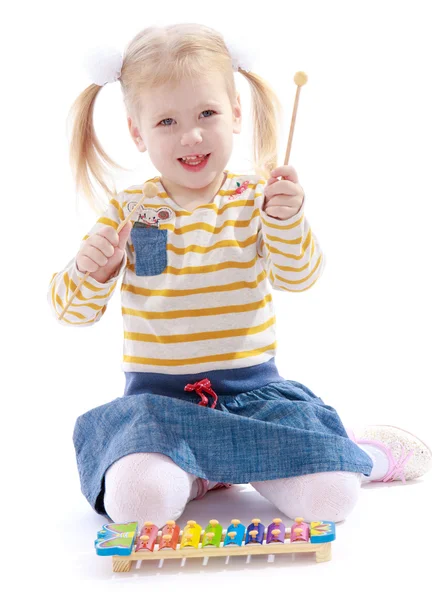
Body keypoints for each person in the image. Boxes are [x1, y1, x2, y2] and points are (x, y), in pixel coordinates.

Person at [48, 23, 432, 530]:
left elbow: (301, 277)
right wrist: (88, 271)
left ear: (235, 113)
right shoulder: (133, 208)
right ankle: (205, 471)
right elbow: (69, 310)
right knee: (137, 505)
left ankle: (357, 454)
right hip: (159, 408)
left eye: (207, 112)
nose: (192, 135)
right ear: (137, 132)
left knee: (332, 499)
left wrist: (286, 221)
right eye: (166, 121)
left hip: (257, 401)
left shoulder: (256, 199)